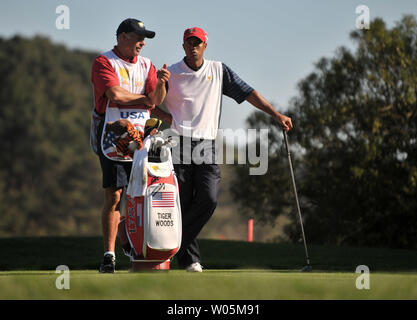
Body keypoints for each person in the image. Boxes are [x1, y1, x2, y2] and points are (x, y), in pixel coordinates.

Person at [160, 27, 293, 272]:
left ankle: (169, 246)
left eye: (197, 42)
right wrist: (168, 118)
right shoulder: (172, 73)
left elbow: (248, 93)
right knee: (183, 204)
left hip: (206, 144)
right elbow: (149, 101)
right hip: (177, 143)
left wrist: (275, 114)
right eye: (189, 42)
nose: (193, 46)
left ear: (205, 45)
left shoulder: (219, 71)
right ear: (183, 46)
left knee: (208, 199)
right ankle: (190, 261)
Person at [90, 18, 170, 273]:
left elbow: (155, 100)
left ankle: (140, 247)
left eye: (144, 38)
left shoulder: (148, 65)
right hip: (114, 136)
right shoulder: (104, 61)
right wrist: (146, 99)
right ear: (122, 36)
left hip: (144, 140)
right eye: (138, 37)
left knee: (145, 194)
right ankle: (109, 255)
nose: (142, 43)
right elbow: (115, 94)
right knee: (114, 196)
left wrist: (160, 85)